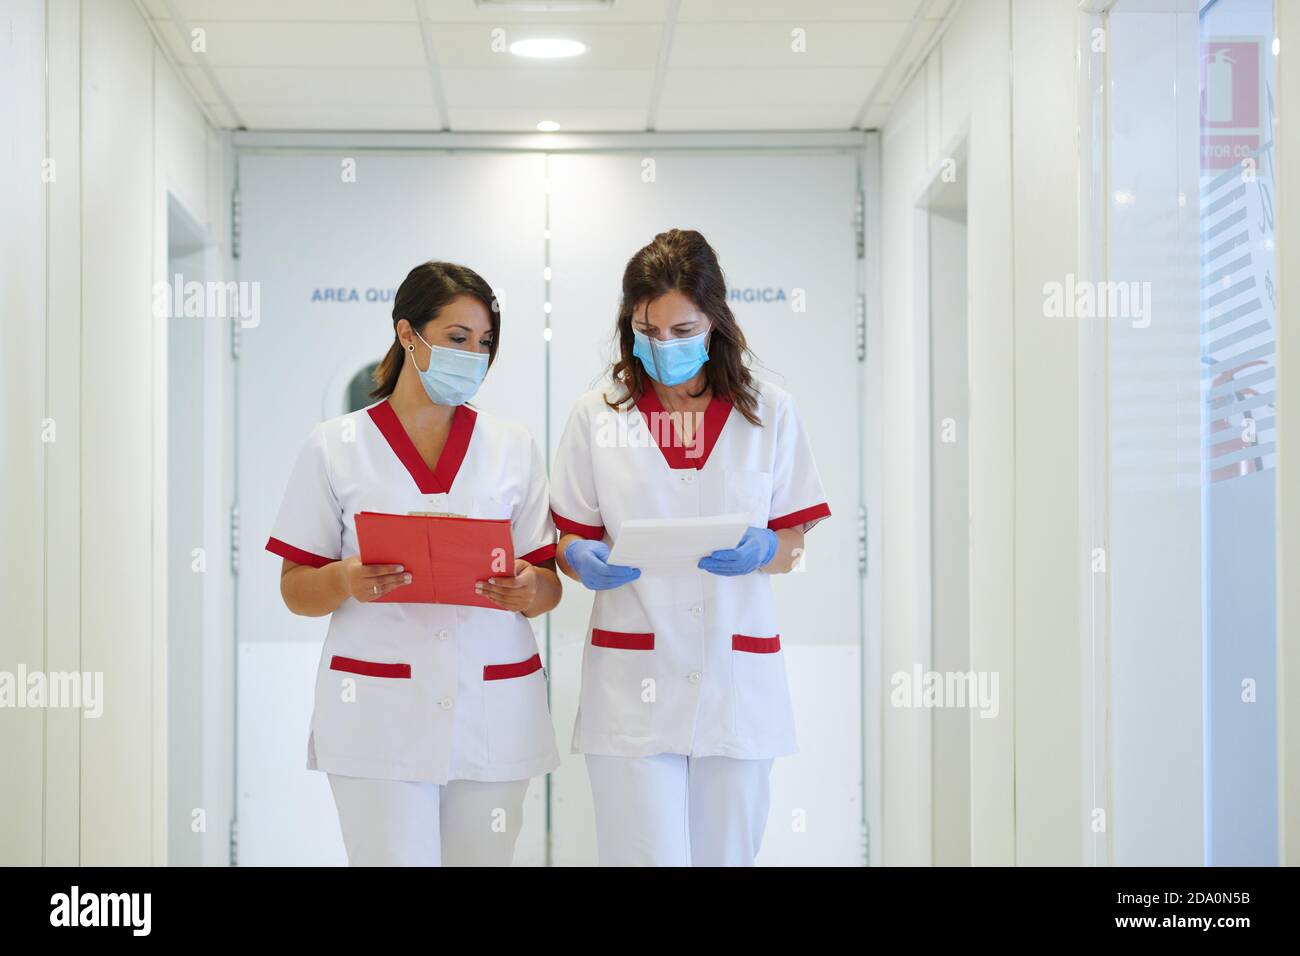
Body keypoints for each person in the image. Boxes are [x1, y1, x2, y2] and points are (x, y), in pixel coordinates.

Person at [551, 229, 831, 866]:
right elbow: (569, 538)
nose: (665, 346)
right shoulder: (597, 415)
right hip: (633, 684)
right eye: (649, 330)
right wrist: (576, 558)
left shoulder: (768, 412)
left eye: (683, 330)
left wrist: (768, 549)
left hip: (737, 678)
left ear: (715, 322)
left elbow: (793, 545)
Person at [266, 261, 560, 866]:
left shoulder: (512, 447)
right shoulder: (335, 446)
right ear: (407, 335)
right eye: (457, 338)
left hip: (492, 706)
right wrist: (344, 578)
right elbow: (296, 589)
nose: (473, 355)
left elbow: (550, 583)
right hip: (378, 714)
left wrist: (530, 589)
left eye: (485, 343)